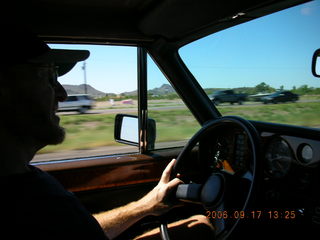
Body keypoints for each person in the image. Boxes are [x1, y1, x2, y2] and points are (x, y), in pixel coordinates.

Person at [0, 25, 214, 239]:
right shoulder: (20, 197)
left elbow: (81, 230)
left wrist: (146, 205)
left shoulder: (23, 179)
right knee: (201, 228)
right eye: (48, 76)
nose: (62, 94)